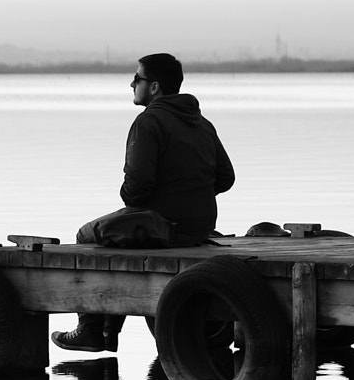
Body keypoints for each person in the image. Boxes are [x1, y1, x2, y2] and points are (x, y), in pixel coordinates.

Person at [53, 53, 235, 353]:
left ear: (153, 87)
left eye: (137, 78)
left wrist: (140, 198)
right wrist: (191, 193)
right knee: (116, 231)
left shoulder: (148, 122)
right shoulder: (202, 124)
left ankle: (91, 330)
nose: (131, 84)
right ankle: (106, 332)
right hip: (200, 226)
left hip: (160, 225)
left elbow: (136, 188)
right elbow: (226, 178)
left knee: (86, 235)